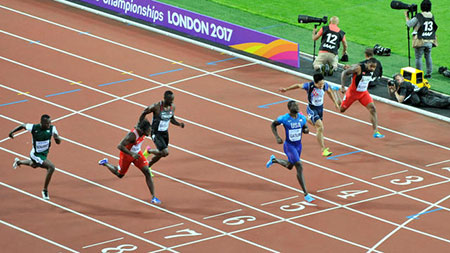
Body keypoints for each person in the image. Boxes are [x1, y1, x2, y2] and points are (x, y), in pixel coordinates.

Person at [98, 112, 161, 204]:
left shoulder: (144, 130)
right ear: (143, 130)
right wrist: (132, 154)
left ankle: (153, 197)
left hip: (137, 154)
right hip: (127, 155)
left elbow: (142, 117)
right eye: (148, 130)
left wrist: (148, 111)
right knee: (120, 175)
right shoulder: (132, 135)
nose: (150, 132)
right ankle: (105, 163)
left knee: (147, 172)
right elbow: (120, 146)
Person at [279, 73, 340, 157]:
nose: (322, 86)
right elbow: (297, 85)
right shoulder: (309, 86)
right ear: (315, 82)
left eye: (323, 83)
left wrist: (335, 103)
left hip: (320, 109)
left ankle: (303, 117)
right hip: (312, 108)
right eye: (320, 84)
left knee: (317, 126)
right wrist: (286, 89)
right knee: (320, 127)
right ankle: (323, 150)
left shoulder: (324, 85)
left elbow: (329, 92)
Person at [266, 101, 314, 203]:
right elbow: (273, 125)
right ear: (289, 108)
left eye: (297, 105)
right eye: (294, 105)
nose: (297, 107)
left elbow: (305, 127)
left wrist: (306, 130)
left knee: (290, 166)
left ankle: (274, 160)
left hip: (298, 146)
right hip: (289, 146)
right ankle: (306, 194)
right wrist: (277, 137)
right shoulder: (284, 118)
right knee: (299, 165)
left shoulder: (302, 118)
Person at [9, 114, 61, 200]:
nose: (49, 125)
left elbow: (59, 142)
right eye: (48, 123)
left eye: (50, 122)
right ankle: (45, 190)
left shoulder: (52, 129)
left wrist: (57, 138)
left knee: (34, 165)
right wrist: (12, 132)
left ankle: (19, 162)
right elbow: (23, 125)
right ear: (42, 123)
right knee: (51, 167)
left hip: (44, 153)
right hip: (36, 154)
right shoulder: (34, 127)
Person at [339, 58, 385, 138]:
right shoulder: (359, 68)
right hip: (352, 93)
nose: (372, 69)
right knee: (341, 110)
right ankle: (335, 94)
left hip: (363, 93)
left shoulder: (371, 70)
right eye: (371, 66)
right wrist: (342, 86)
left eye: (374, 67)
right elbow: (344, 73)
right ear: (367, 64)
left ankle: (376, 132)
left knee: (373, 109)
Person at [142, 90, 185, 169]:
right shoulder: (157, 107)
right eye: (170, 100)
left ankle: (148, 166)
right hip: (156, 132)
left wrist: (179, 124)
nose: (171, 102)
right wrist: (141, 123)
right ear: (165, 98)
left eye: (172, 100)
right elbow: (144, 112)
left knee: (161, 153)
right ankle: (149, 151)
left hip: (165, 133)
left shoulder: (172, 107)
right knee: (165, 152)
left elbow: (171, 119)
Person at [405, 0, 438, 78]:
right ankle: (429, 73)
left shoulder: (419, 16)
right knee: (428, 56)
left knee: (418, 57)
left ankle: (419, 74)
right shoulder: (431, 15)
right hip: (430, 39)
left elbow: (409, 24)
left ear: (421, 7)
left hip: (420, 40)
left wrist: (406, 16)